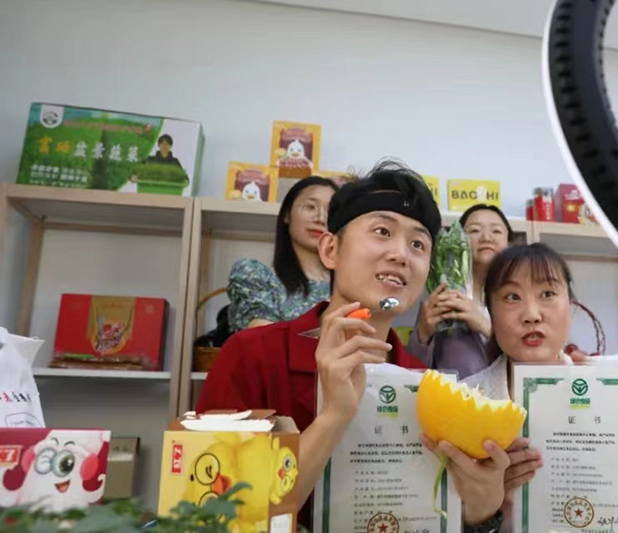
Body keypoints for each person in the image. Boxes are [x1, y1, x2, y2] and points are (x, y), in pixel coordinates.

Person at [198, 160, 507, 532]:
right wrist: (333, 417)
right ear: (330, 249)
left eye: (418, 244)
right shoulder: (251, 355)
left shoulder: (422, 383)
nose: (401, 254)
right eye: (382, 231)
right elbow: (214, 518)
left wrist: (480, 513)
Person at [451, 243, 618, 528]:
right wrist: (487, 500)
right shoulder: (466, 399)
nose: (532, 314)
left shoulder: (614, 380)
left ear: (570, 305)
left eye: (547, 294)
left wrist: (603, 415)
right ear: (491, 314)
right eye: (512, 297)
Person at [405, 204, 513, 378]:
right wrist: (423, 333)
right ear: (458, 240)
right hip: (453, 395)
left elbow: (529, 362)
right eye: (475, 230)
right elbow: (410, 372)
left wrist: (485, 326)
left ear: (509, 244)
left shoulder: (519, 301)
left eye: (496, 231)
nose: (486, 237)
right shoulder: (441, 298)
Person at [227, 176, 339, 331]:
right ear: (287, 214)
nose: (321, 219)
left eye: (330, 211)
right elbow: (263, 338)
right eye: (311, 207)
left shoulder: (349, 284)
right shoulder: (255, 277)